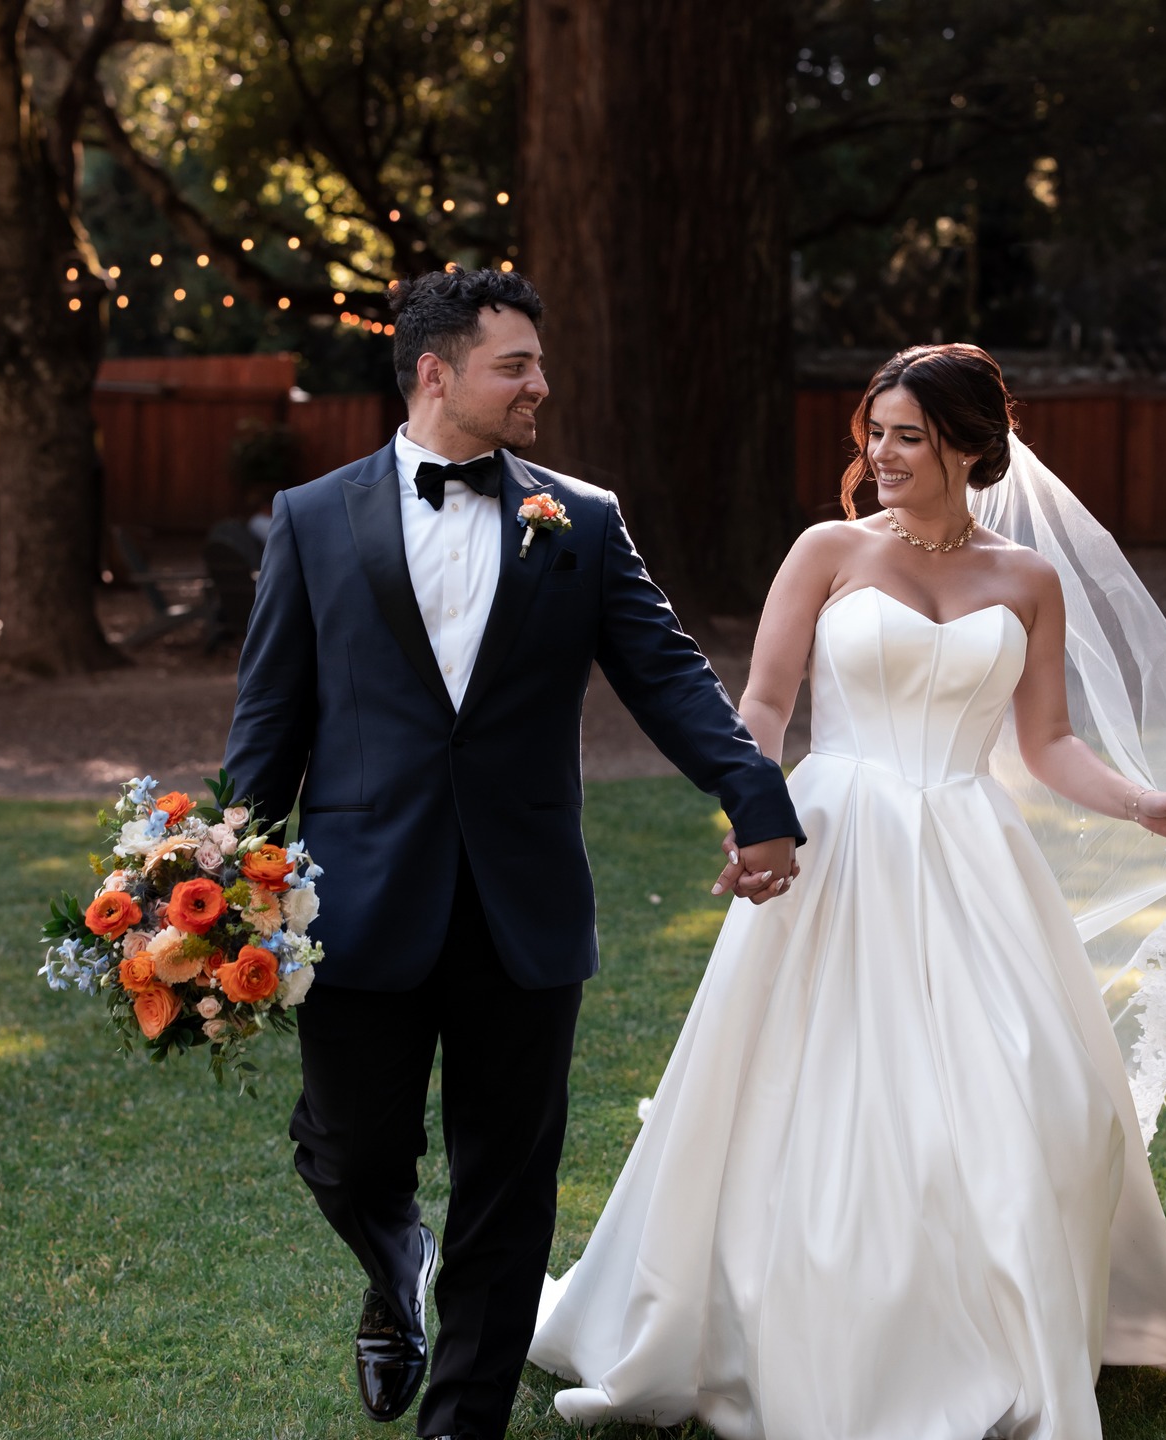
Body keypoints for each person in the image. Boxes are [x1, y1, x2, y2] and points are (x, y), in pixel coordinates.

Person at [528, 343, 1166, 1439]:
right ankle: (791, 1325)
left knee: (1038, 1089)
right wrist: (751, 816)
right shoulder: (827, 551)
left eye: (910, 435)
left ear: (968, 446)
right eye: (877, 432)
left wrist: (1145, 803)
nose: (883, 453)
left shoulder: (1026, 579)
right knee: (815, 1093)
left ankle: (1000, 1332)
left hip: (970, 851)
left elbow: (1046, 743)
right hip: (835, 840)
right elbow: (760, 704)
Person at [220, 266, 802, 1439]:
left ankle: (462, 1422)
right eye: (516, 365)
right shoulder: (311, 518)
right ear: (437, 374)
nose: (542, 383)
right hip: (355, 902)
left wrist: (757, 795)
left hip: (521, 907)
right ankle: (397, 1268)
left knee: (510, 1180)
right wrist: (226, 883)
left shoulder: (580, 521)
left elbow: (671, 677)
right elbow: (269, 720)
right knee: (347, 1146)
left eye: (538, 362)